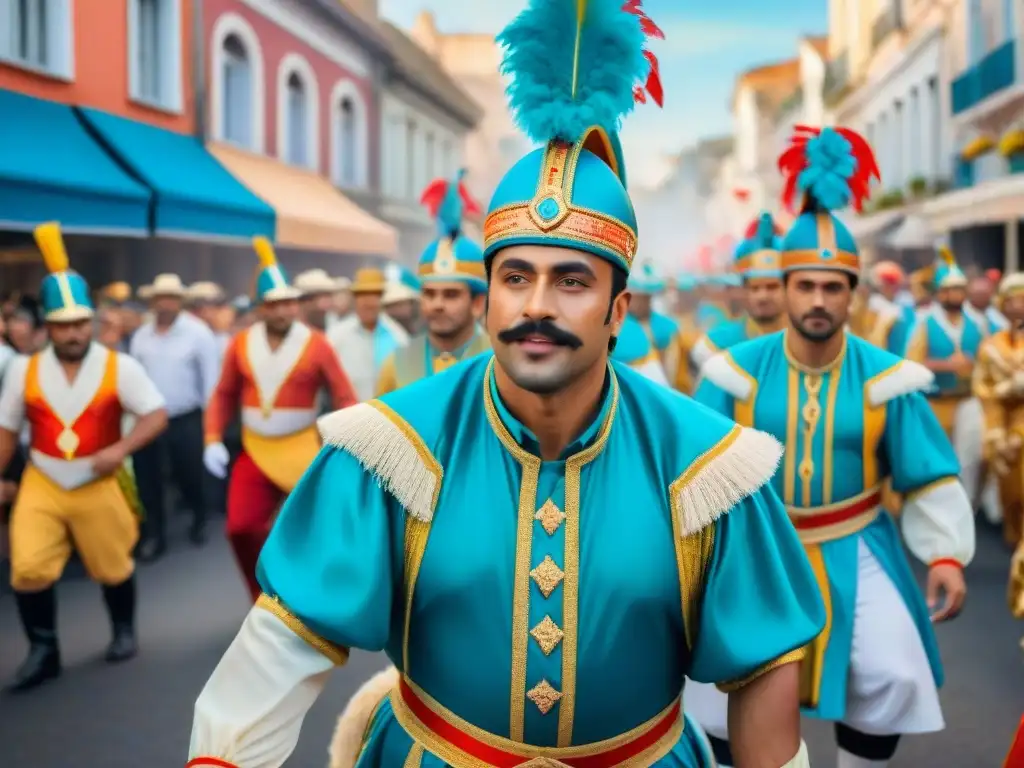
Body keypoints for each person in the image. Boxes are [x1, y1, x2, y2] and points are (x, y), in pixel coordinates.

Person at [187, 3, 822, 766]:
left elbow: (763, 672)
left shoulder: (712, 468)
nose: (538, 305)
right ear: (487, 299)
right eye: (515, 276)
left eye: (572, 280)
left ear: (620, 310)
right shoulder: (388, 449)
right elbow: (282, 642)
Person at [690, 125, 975, 768]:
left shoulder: (887, 378)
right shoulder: (732, 371)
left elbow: (927, 475)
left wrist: (947, 555)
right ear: (785, 287)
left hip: (859, 544)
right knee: (715, 692)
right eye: (805, 285)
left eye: (832, 287)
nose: (818, 299)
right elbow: (694, 477)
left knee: (893, 672)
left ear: (852, 293)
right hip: (757, 549)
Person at [0, 223, 168, 692]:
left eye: (80, 322)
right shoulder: (22, 370)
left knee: (113, 565)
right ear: (47, 327)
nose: (73, 332)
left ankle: (123, 630)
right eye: (62, 324)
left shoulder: (120, 366)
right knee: (29, 566)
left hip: (99, 480)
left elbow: (155, 415)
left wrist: (120, 449)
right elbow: (7, 431)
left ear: (91, 322)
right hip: (44, 479)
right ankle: (43, 651)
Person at [202, 239, 357, 601]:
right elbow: (223, 393)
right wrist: (211, 437)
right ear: (260, 308)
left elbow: (344, 396)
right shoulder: (240, 343)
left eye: (289, 302)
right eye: (275, 304)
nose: (284, 310)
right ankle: (263, 597)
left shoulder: (317, 343)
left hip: (303, 445)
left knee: (322, 528)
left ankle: (322, 595)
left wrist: (347, 442)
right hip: (255, 448)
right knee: (240, 528)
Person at [129, 273, 220, 560]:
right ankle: (155, 534)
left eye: (170, 298)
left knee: (189, 474)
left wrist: (211, 425)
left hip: (186, 417)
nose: (165, 304)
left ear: (180, 302)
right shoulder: (141, 335)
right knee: (148, 479)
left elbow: (211, 381)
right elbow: (134, 376)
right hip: (148, 418)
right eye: (160, 298)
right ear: (152, 302)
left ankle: (199, 516)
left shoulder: (198, 333)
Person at [375, 174, 490, 396]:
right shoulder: (397, 365)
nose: (437, 304)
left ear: (477, 303)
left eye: (451, 295)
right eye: (429, 294)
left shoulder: (499, 363)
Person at [905, 247, 988, 507]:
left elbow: (988, 358)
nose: (955, 295)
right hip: (936, 402)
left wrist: (973, 365)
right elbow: (911, 363)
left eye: (959, 289)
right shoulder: (924, 323)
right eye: (950, 290)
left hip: (968, 400)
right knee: (936, 459)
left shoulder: (978, 322)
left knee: (970, 458)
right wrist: (945, 365)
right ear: (940, 293)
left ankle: (967, 505)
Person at [691, 212, 787, 373]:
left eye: (772, 287)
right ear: (743, 290)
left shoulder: (809, 346)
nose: (762, 296)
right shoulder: (716, 345)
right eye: (754, 288)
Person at [972, 271, 1024, 546]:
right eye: (1012, 301)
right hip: (1002, 425)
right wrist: (1004, 390)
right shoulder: (990, 346)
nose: (1019, 307)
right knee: (1010, 493)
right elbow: (981, 387)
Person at [328, 267, 409, 401]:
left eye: (374, 295)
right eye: (362, 295)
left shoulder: (398, 337)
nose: (368, 301)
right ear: (354, 299)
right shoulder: (337, 336)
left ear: (382, 299)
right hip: (346, 417)